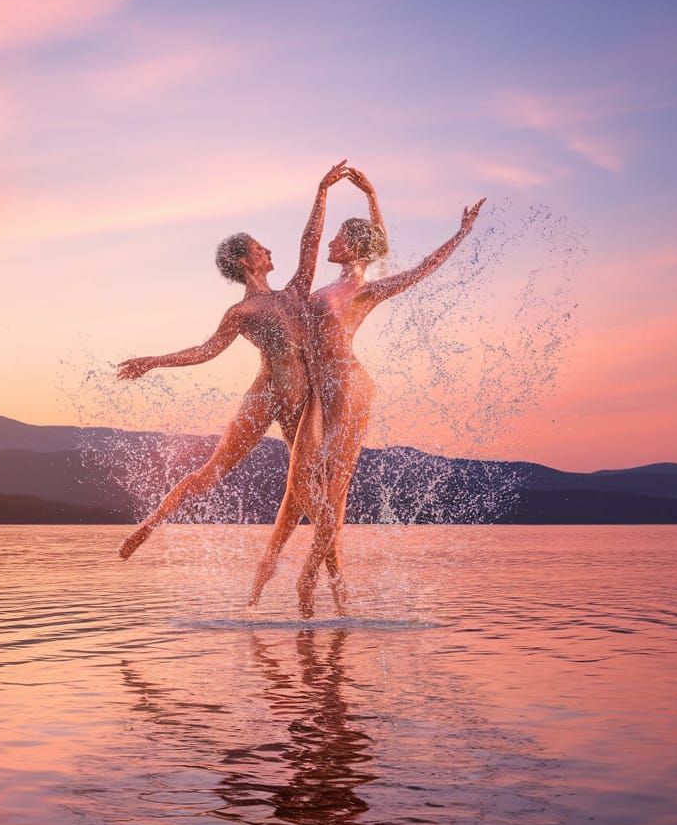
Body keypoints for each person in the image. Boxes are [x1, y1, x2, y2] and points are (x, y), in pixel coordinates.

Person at [250, 180, 485, 617]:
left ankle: (310, 580)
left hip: (350, 390)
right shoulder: (332, 285)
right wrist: (371, 198)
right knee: (299, 483)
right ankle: (323, 585)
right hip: (321, 394)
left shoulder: (364, 289)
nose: (331, 242)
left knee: (334, 491)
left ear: (355, 249)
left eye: (339, 236)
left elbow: (421, 269)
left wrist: (459, 234)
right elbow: (377, 245)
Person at [115, 161, 351, 560]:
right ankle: (151, 523)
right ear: (246, 262)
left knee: (314, 488)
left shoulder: (293, 293)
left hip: (302, 402)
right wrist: (154, 361)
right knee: (213, 470)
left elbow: (309, 244)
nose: (269, 250)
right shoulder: (241, 313)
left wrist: (322, 192)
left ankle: (329, 581)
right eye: (261, 248)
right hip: (265, 395)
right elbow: (205, 351)